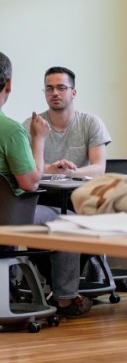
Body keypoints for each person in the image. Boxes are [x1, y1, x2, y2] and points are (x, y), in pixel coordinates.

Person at [0, 52, 91, 316]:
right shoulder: (12, 129)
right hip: (10, 214)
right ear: (9, 84)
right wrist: (38, 140)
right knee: (69, 220)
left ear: (72, 92)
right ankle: (64, 298)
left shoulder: (89, 123)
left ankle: (15, 288)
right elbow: (29, 183)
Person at [23, 66, 111, 180]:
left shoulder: (91, 123)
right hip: (42, 194)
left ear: (73, 93)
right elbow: (23, 169)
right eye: (49, 88)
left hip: (79, 193)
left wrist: (69, 172)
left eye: (61, 88)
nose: (55, 93)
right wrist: (50, 169)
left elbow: (99, 169)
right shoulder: (32, 125)